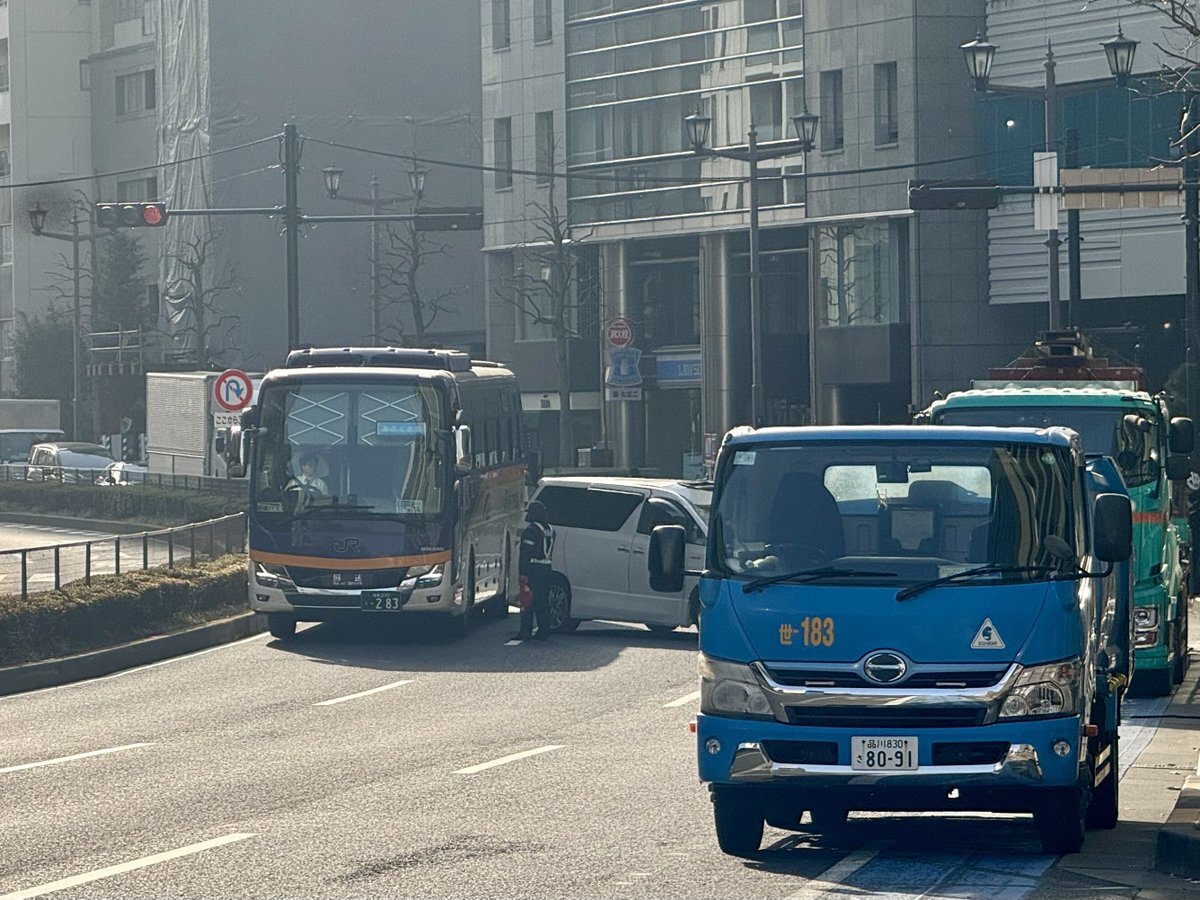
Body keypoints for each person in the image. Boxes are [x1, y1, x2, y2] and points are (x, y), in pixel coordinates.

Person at [516, 499, 555, 640]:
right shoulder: (550, 530)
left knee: (527, 601)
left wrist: (523, 573)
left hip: (534, 569)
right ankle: (544, 630)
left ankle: (525, 631)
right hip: (547, 567)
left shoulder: (531, 531)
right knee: (542, 601)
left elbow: (525, 553)